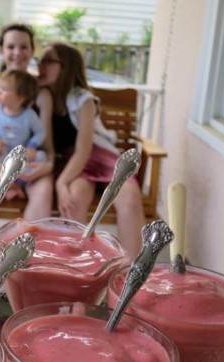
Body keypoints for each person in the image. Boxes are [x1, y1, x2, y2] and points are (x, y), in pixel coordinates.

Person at [37, 42, 145, 255]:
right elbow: (4, 80)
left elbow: (85, 149)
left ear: (66, 67)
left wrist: (61, 182)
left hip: (99, 157)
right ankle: (78, 265)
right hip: (73, 165)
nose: (41, 65)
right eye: (40, 60)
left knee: (129, 198)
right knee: (73, 198)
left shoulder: (83, 100)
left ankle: (131, 273)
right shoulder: (42, 95)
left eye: (48, 61)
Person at [0, 23, 54, 235]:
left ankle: (22, 252)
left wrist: (45, 167)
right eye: (11, 47)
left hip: (30, 163)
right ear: (2, 51)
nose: (17, 53)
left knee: (44, 189)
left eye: (23, 47)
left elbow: (47, 145)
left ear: (32, 51)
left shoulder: (42, 94)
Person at [0, 69, 47, 199]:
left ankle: (16, 185)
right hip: (2, 153)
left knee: (41, 157)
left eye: (4, 90)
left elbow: (40, 132)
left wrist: (32, 146)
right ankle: (11, 187)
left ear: (20, 97)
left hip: (20, 155)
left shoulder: (29, 115)